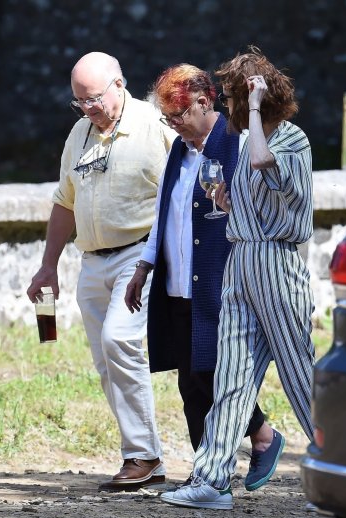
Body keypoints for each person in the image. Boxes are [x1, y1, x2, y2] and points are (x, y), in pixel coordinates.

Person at [160, 47, 315, 510]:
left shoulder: (289, 140)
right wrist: (231, 205)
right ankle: (212, 478)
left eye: (232, 98)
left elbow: (269, 167)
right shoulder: (248, 140)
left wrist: (251, 106)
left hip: (276, 265)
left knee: (301, 375)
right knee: (230, 376)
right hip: (242, 261)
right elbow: (255, 195)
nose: (227, 107)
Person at [26, 51, 176, 492]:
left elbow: (187, 185)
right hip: (92, 259)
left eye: (93, 99)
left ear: (119, 84)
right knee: (104, 360)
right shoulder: (79, 133)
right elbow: (64, 201)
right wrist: (47, 265)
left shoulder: (154, 125)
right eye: (79, 101)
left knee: (119, 340)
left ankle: (142, 455)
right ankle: (144, 455)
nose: (88, 108)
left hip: (140, 254)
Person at [124, 64, 278, 481]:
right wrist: (145, 265)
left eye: (178, 116)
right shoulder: (179, 150)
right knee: (190, 381)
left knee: (210, 373)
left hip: (218, 281)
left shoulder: (239, 142)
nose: (173, 126)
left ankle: (248, 444)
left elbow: (263, 211)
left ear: (204, 102)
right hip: (176, 281)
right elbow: (165, 212)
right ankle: (211, 467)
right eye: (168, 119)